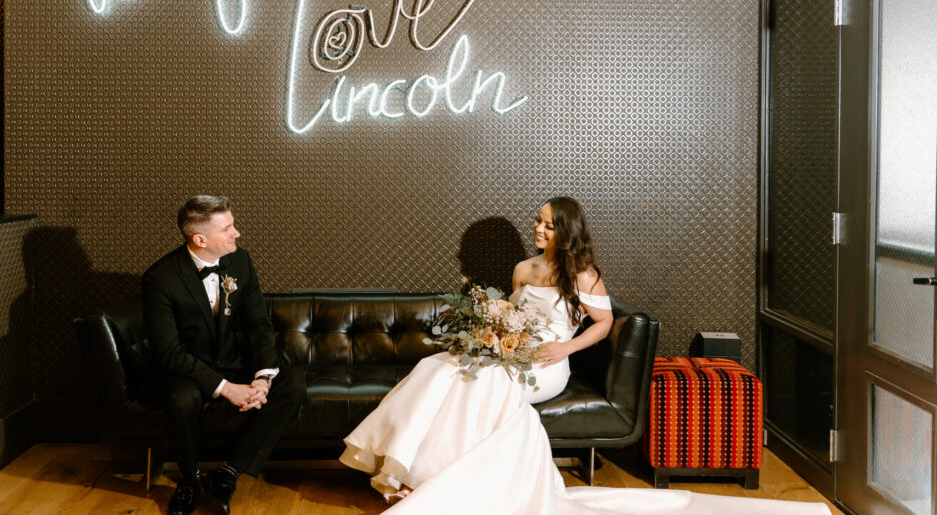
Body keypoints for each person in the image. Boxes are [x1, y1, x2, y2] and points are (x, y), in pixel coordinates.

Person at [340, 197, 830, 515]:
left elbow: (603, 324)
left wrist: (562, 348)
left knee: (484, 383)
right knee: (440, 367)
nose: (537, 229)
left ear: (566, 232)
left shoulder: (584, 275)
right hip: (511, 353)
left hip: (548, 364)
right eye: (537, 221)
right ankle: (407, 469)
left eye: (547, 225)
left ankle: (441, 480)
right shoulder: (522, 268)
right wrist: (491, 332)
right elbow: (512, 312)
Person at [142, 195, 304, 515]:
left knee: (293, 384)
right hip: (185, 368)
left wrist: (261, 378)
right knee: (180, 399)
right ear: (199, 239)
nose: (237, 233)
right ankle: (189, 480)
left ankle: (229, 473)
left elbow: (258, 323)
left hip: (231, 359)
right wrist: (226, 388)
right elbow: (168, 351)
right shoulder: (159, 278)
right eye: (228, 228)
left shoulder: (240, 261)